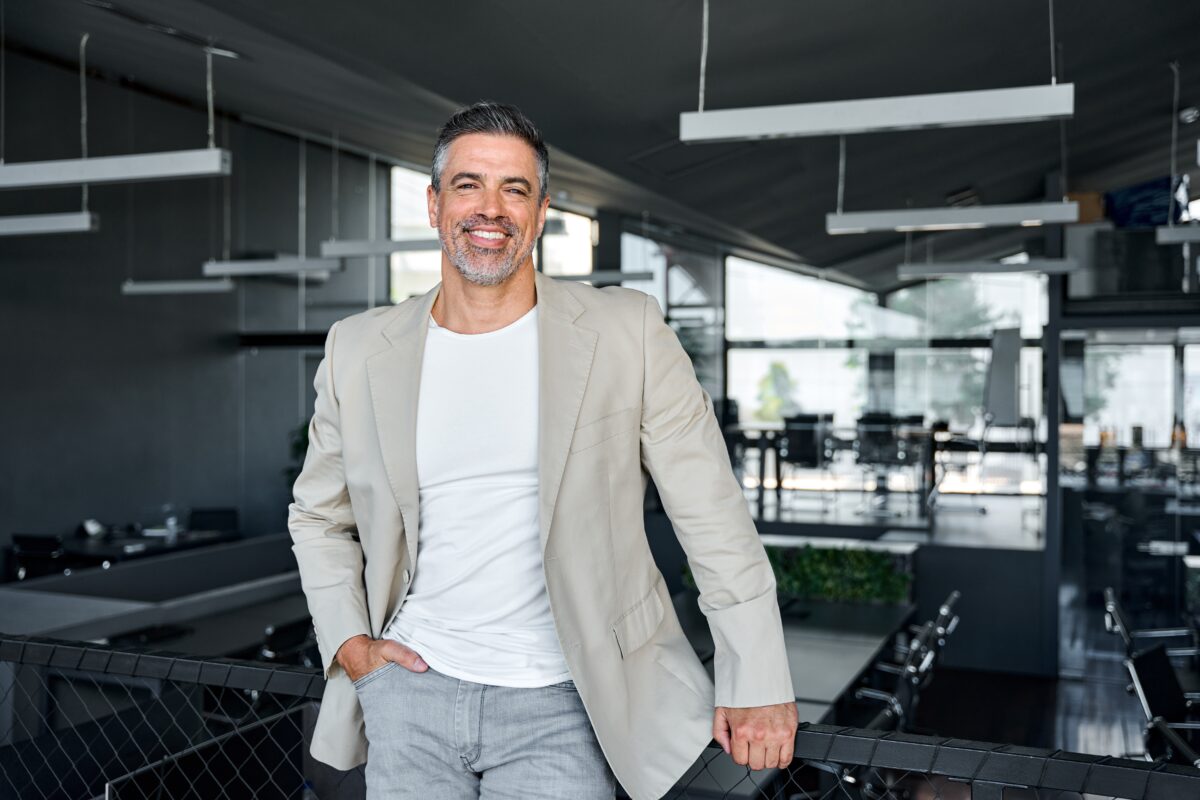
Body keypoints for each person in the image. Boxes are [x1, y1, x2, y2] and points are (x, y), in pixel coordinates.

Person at [288, 101, 796, 800]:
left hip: (563, 702)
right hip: (408, 695)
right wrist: (351, 645)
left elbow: (713, 517)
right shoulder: (358, 347)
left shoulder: (627, 332)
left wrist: (759, 678)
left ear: (543, 210)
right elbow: (318, 516)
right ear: (435, 205)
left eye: (514, 189)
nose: (489, 208)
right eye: (468, 185)